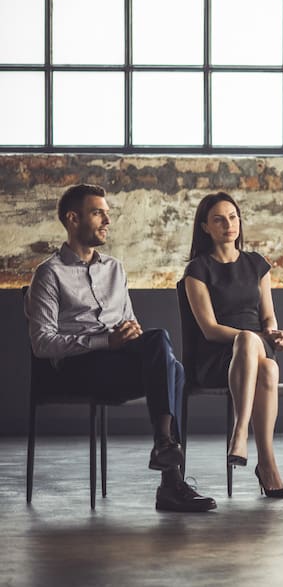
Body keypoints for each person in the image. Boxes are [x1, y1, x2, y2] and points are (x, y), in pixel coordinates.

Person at [25, 184, 216, 512]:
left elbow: (130, 323)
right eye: (98, 212)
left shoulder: (114, 268)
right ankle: (170, 474)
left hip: (115, 366)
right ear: (73, 219)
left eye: (107, 213)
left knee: (165, 355)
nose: (107, 221)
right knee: (169, 361)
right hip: (76, 370)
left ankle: (166, 455)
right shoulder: (49, 274)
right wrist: (104, 340)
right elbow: (43, 343)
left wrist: (129, 333)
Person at [183, 192, 283, 498]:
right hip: (217, 358)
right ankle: (265, 463)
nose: (228, 224)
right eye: (218, 219)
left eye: (233, 217)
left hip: (256, 345)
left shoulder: (257, 264)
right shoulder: (197, 270)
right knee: (269, 370)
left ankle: (241, 436)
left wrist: (272, 334)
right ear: (205, 227)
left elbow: (268, 316)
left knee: (256, 346)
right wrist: (252, 337)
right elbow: (209, 328)